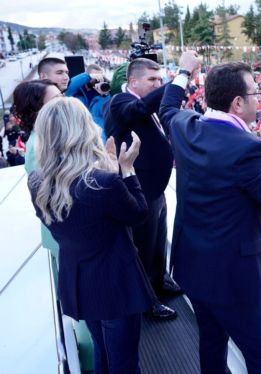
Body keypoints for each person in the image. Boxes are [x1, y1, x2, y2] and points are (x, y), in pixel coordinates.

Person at [159, 59, 261, 373]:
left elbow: (167, 106)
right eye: (256, 93)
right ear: (237, 103)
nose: (260, 99)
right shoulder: (247, 148)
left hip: (193, 268)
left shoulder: (185, 127)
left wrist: (183, 72)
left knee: (211, 343)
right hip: (237, 281)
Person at [27, 97, 153, 373]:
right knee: (124, 363)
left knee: (102, 354)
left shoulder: (36, 181)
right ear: (84, 130)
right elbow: (139, 214)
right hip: (116, 283)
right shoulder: (102, 183)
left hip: (79, 280)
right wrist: (127, 170)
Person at [104, 57, 181, 320]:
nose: (158, 84)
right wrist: (176, 81)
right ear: (133, 81)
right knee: (144, 247)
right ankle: (147, 300)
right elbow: (139, 109)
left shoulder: (146, 103)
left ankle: (159, 281)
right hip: (139, 189)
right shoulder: (119, 103)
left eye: (160, 79)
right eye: (152, 80)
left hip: (154, 188)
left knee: (158, 239)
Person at [64, 63, 112, 132]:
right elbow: (67, 90)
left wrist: (104, 95)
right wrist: (87, 77)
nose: (97, 79)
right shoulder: (79, 91)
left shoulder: (105, 91)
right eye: (95, 76)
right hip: (80, 128)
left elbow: (104, 114)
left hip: (98, 130)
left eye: (100, 76)